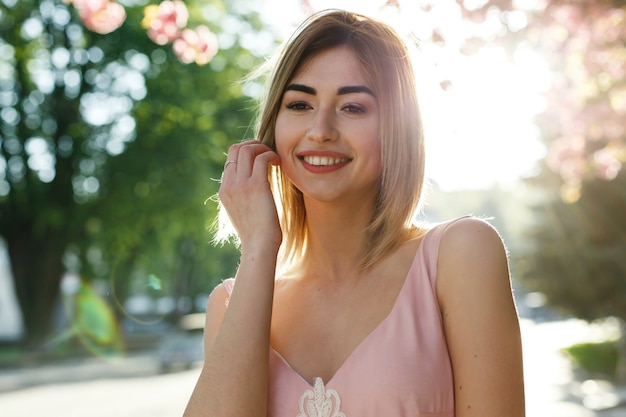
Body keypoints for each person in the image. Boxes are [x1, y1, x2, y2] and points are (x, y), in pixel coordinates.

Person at [184, 9, 525, 417]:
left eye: (353, 107)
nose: (321, 129)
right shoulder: (229, 302)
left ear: (397, 128)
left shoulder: (459, 256)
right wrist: (258, 247)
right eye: (299, 104)